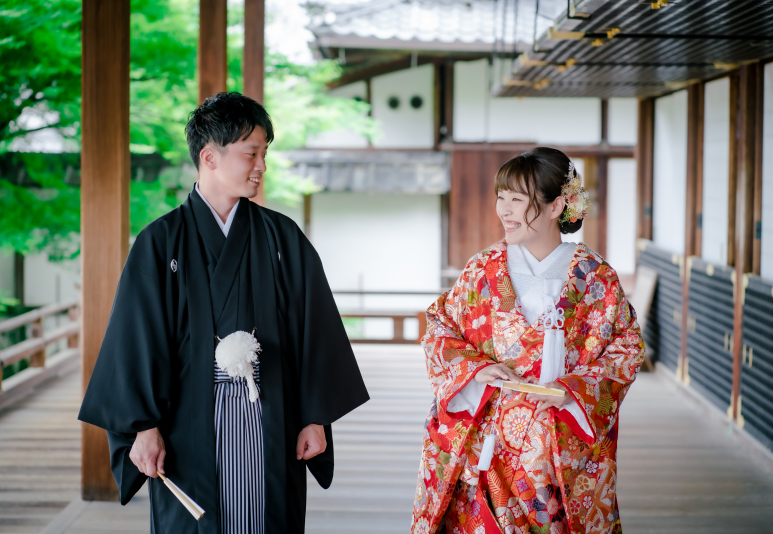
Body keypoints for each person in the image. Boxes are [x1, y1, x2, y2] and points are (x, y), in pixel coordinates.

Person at [79, 92, 369, 534]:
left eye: (264, 153)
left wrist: (315, 418)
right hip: (187, 423)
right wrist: (142, 427)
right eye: (251, 153)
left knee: (267, 517)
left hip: (271, 416)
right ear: (209, 156)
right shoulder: (161, 243)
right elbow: (134, 342)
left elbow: (315, 332)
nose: (261, 166)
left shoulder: (281, 239)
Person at [411, 147, 644, 534]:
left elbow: (626, 348)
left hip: (558, 446)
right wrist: (476, 368)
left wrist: (575, 389)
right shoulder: (482, 270)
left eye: (517, 199)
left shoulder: (594, 277)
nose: (504, 209)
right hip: (486, 439)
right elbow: (440, 326)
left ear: (557, 206)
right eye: (501, 197)